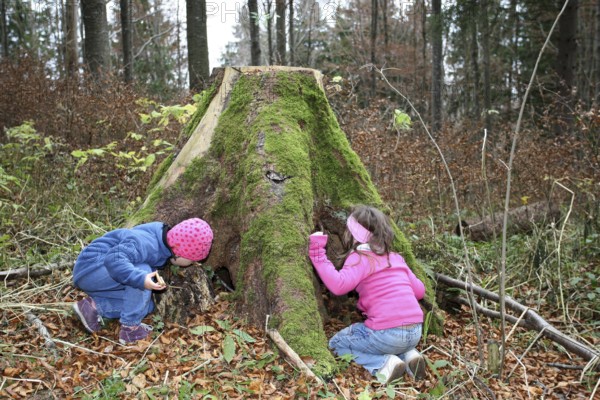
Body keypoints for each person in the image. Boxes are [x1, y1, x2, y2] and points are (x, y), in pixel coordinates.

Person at [308, 205, 426, 384]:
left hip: (386, 334)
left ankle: (384, 364)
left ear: (353, 234)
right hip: (416, 331)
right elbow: (420, 291)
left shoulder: (361, 257)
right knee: (392, 338)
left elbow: (339, 285)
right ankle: (409, 356)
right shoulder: (395, 257)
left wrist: (317, 254)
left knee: (338, 343)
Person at [72, 218, 213, 344]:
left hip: (104, 276)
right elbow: (114, 259)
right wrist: (141, 278)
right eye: (192, 260)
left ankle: (93, 307)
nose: (191, 263)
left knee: (145, 306)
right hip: (91, 267)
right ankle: (130, 329)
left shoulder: (162, 241)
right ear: (179, 252)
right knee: (144, 272)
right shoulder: (146, 243)